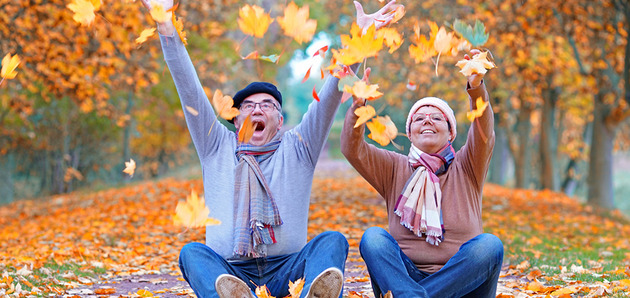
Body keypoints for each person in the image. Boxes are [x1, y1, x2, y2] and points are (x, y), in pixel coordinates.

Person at [140, 0, 399, 297]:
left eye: (267, 106)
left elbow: (328, 98)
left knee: (333, 241)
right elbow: (189, 89)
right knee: (191, 254)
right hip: (231, 273)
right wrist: (165, 24)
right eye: (248, 106)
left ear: (280, 119)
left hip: (290, 271)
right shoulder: (215, 145)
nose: (257, 110)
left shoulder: (299, 147)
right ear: (236, 121)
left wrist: (359, 41)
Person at [340, 50, 504, 297]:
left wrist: (476, 87)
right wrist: (358, 109)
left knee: (489, 246)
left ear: (451, 133)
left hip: (464, 284)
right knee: (373, 238)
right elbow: (352, 150)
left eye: (437, 117)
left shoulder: (467, 164)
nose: (427, 121)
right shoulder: (394, 167)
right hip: (403, 279)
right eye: (419, 118)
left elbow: (483, 132)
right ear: (411, 132)